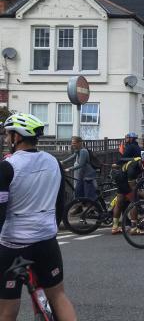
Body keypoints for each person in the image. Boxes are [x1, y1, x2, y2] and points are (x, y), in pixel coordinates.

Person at [0, 113, 77, 321]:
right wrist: (51, 228)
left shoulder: (7, 167)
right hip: (47, 241)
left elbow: (1, 209)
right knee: (59, 296)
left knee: (6, 309)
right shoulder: (54, 162)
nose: (7, 139)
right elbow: (60, 203)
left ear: (17, 137)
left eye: (8, 134)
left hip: (14, 244)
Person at [113, 153, 144, 235]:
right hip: (123, 180)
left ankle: (115, 227)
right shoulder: (133, 169)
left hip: (120, 176)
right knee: (135, 202)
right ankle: (134, 228)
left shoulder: (140, 160)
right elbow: (133, 188)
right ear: (141, 162)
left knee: (119, 202)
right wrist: (143, 194)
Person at [61, 136, 97, 200]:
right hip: (82, 174)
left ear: (79, 143)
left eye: (74, 143)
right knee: (78, 191)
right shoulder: (78, 150)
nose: (72, 144)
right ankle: (79, 205)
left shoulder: (83, 151)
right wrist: (63, 161)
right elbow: (73, 156)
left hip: (87, 175)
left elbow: (81, 164)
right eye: (72, 143)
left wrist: (69, 169)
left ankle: (89, 207)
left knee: (87, 194)